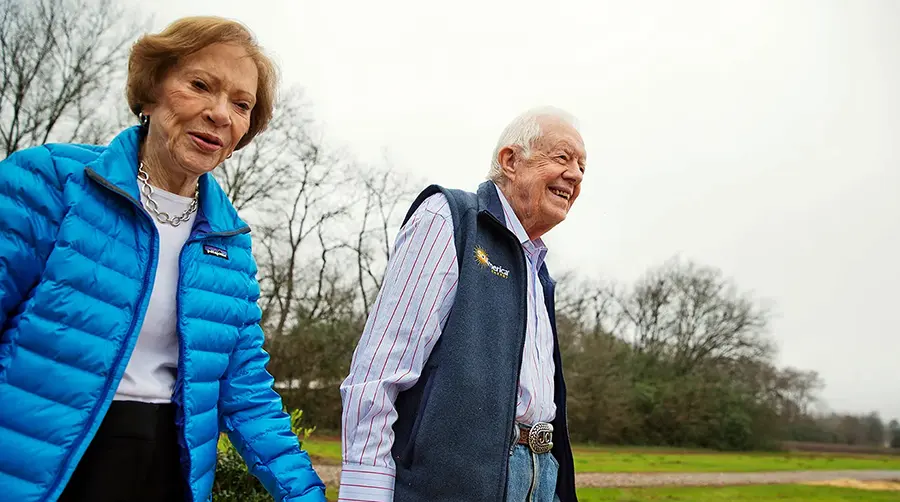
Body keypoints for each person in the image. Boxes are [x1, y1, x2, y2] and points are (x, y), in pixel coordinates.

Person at [0, 16, 326, 502]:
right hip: (46, 470)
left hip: (166, 473)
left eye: (242, 105)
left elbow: (247, 394)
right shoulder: (49, 181)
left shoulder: (229, 244)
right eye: (200, 85)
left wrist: (305, 494)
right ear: (151, 90)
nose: (220, 114)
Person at [338, 107, 587, 502]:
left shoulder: (540, 273)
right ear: (510, 160)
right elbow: (378, 373)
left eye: (581, 167)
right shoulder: (450, 218)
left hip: (542, 480)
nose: (574, 175)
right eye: (562, 157)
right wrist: (364, 494)